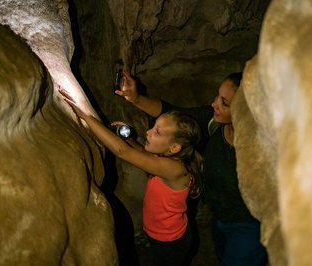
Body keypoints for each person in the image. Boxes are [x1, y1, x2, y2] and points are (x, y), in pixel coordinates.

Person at [115, 70, 268, 266]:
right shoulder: (214, 123)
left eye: (224, 103)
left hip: (249, 227)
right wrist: (135, 98)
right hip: (220, 217)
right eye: (218, 96)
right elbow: (174, 113)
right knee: (223, 255)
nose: (215, 104)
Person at [59, 89, 204, 266]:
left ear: (174, 147)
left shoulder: (174, 168)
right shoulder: (167, 159)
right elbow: (142, 153)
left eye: (157, 132)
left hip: (170, 240)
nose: (149, 132)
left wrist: (87, 117)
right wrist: (126, 136)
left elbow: (122, 152)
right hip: (159, 234)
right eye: (153, 126)